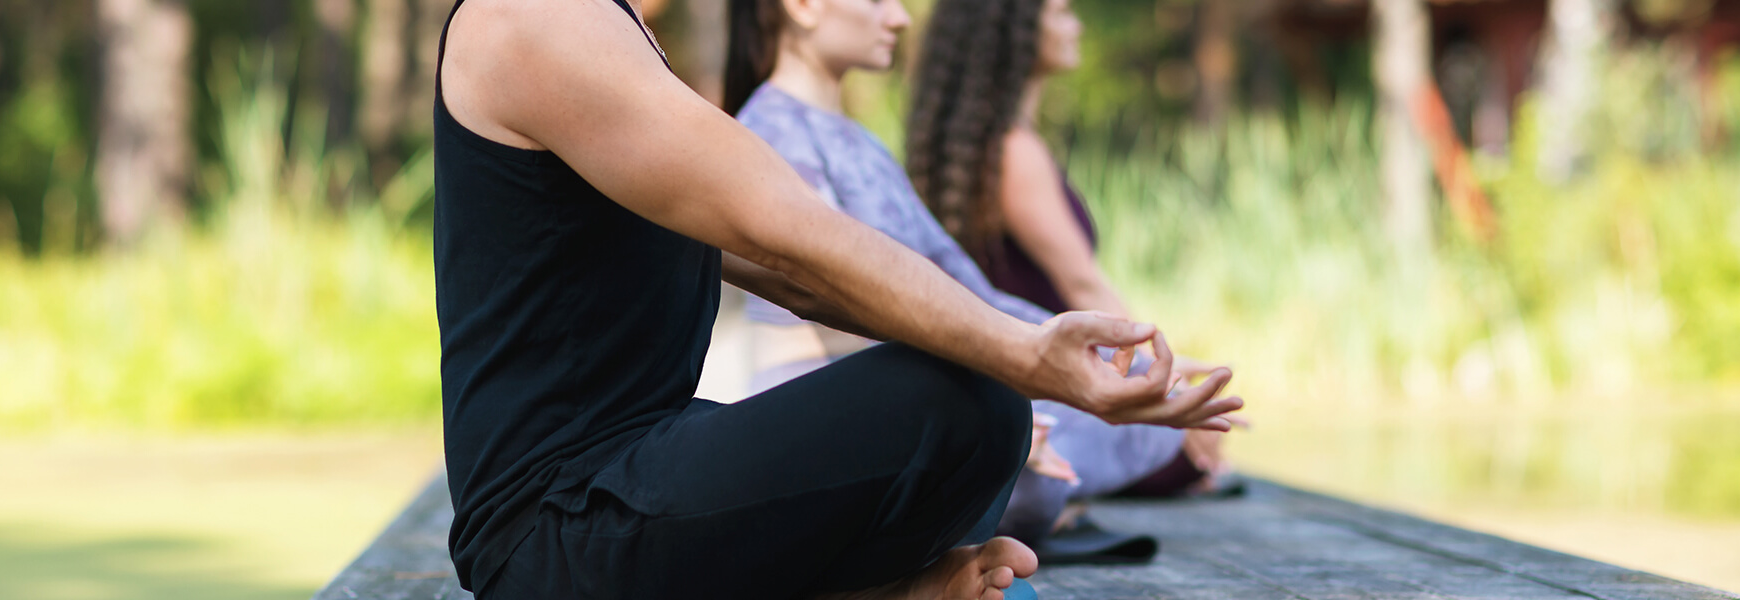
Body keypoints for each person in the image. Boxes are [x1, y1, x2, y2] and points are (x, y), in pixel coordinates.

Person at [431, 0, 1243, 597]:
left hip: (632, 474)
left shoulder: (617, 35)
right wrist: (1024, 356)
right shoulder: (536, 17)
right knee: (966, 402)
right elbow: (787, 234)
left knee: (977, 407)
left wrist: (1022, 357)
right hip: (549, 533)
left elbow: (780, 271)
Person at [905, 0, 1244, 502]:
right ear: (1015, 34)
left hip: (1027, 387)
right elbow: (1084, 285)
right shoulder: (1016, 152)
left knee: (1193, 439)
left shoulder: (984, 146)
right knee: (1187, 451)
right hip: (1048, 393)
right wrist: (1162, 386)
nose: (1076, 25)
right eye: (1061, 13)